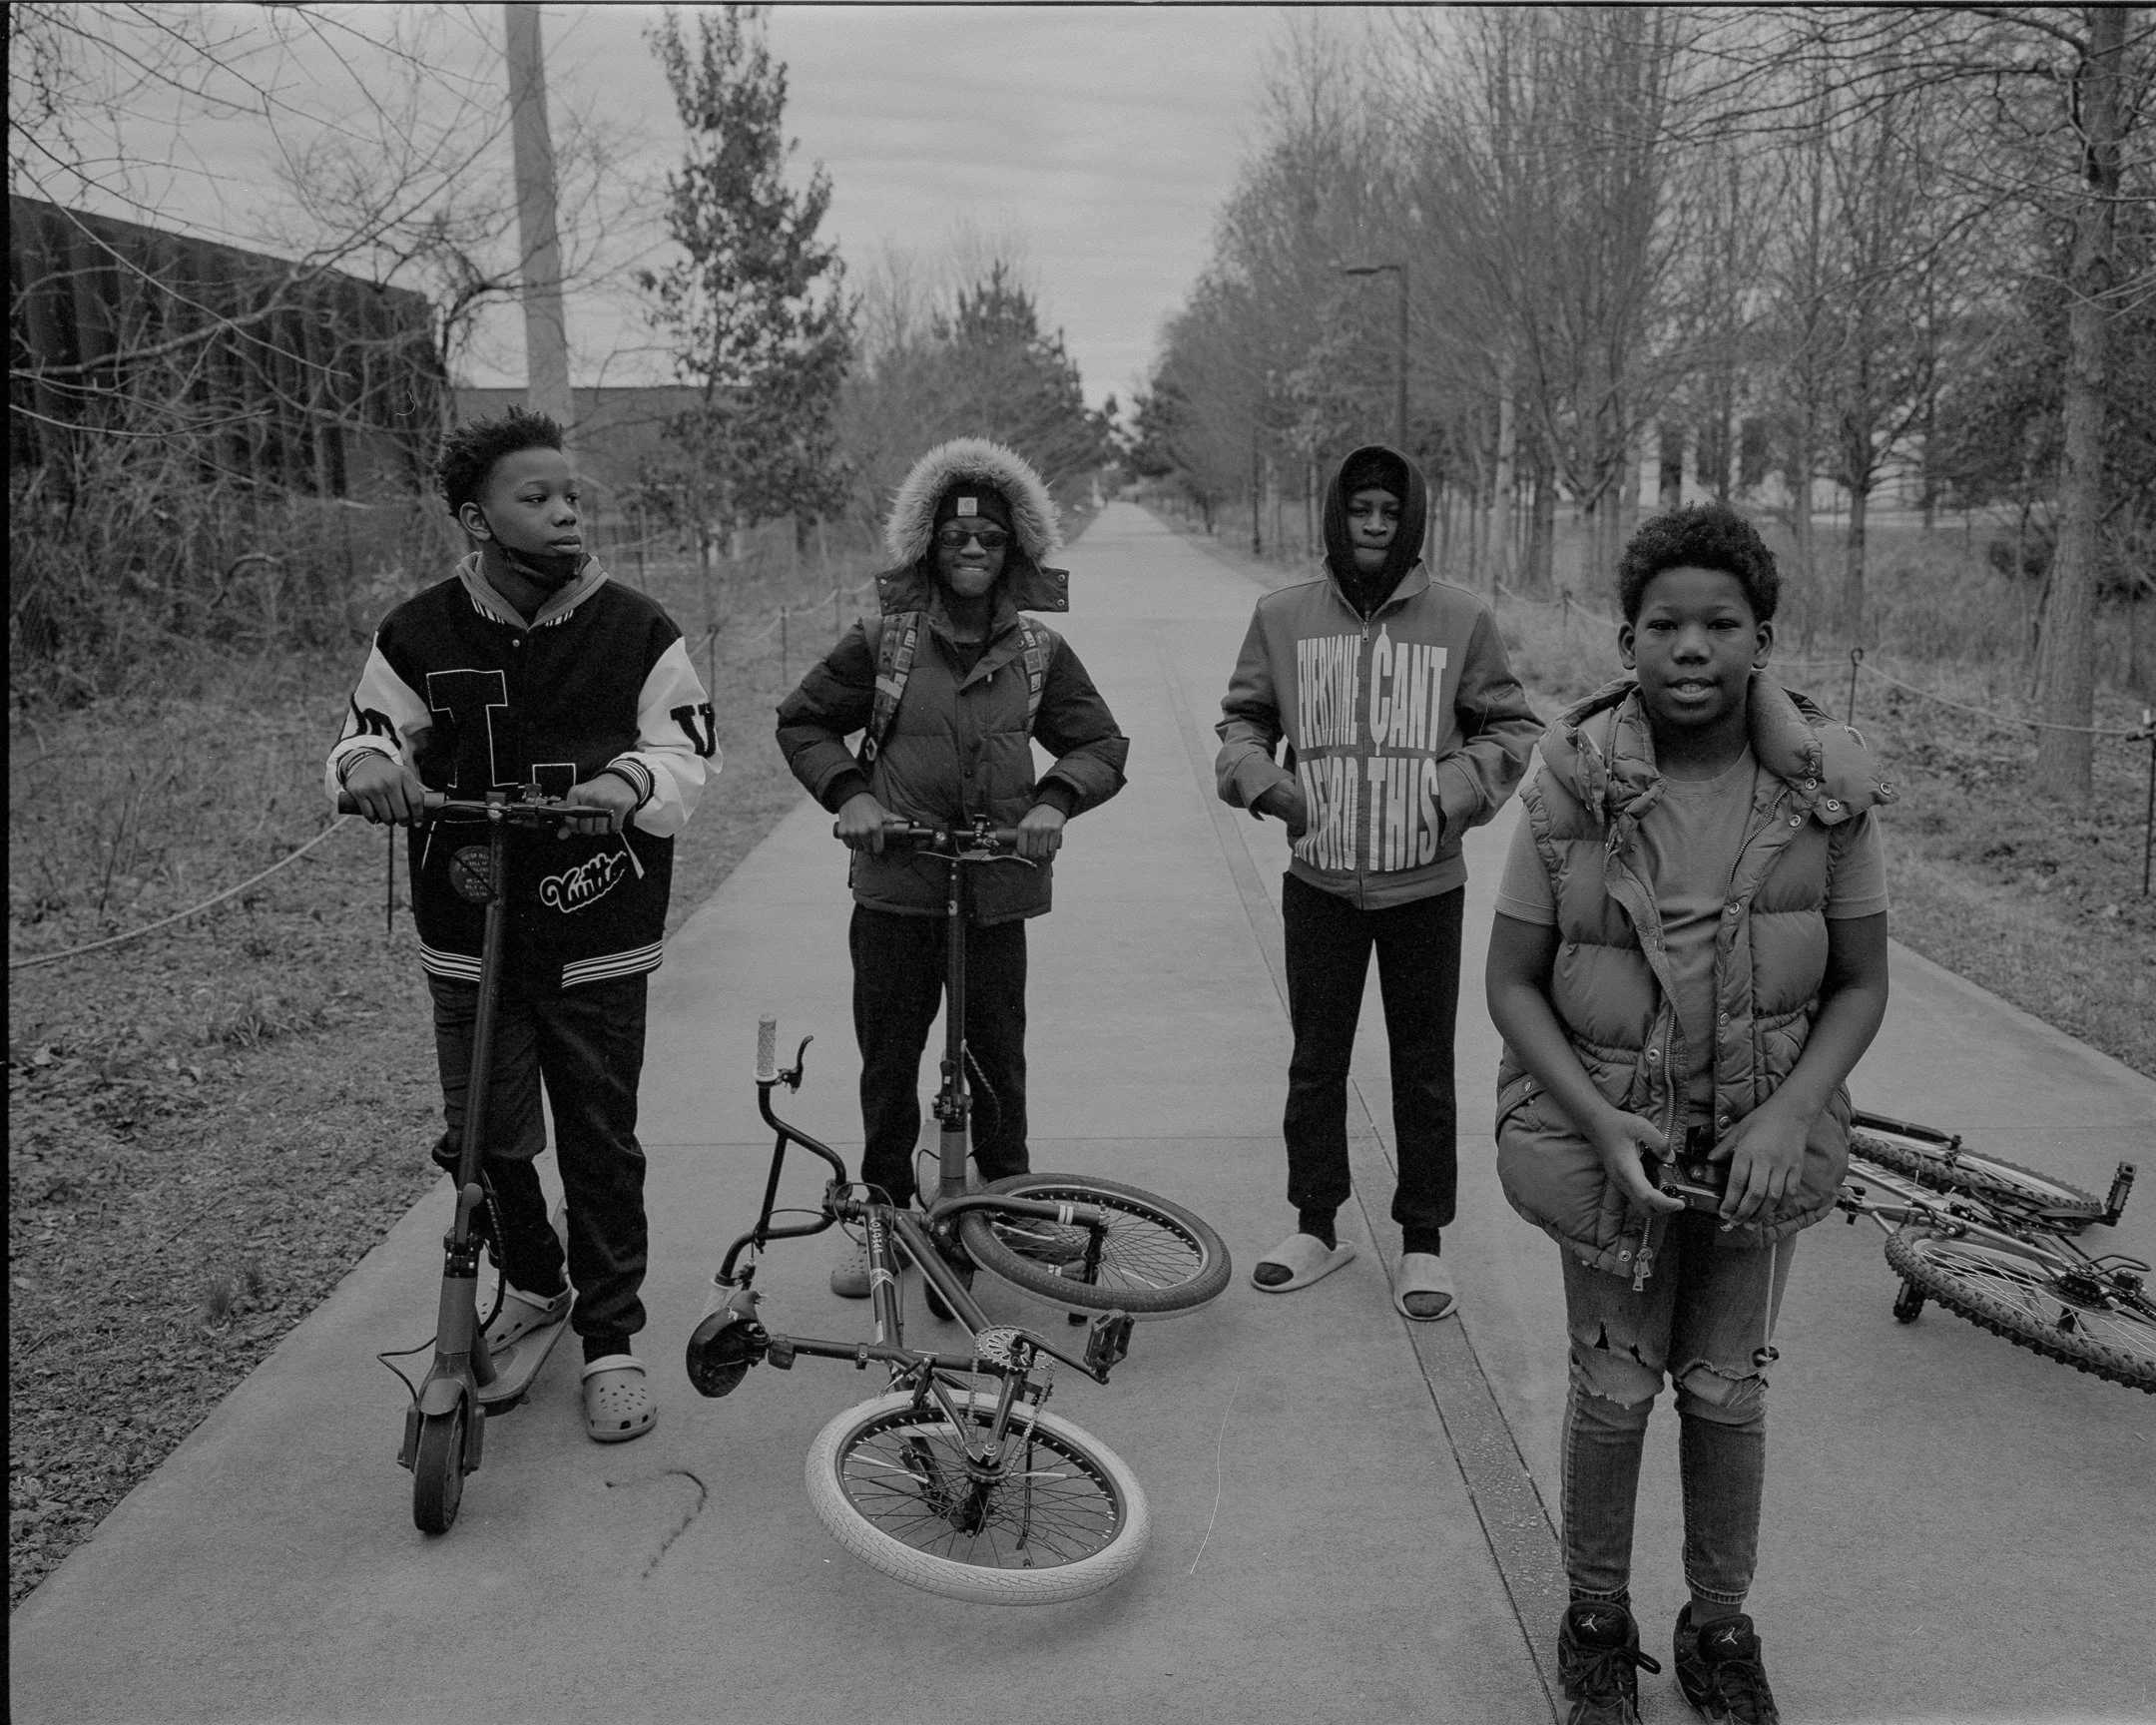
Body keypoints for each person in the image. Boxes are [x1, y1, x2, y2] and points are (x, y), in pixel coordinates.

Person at [1484, 503, 1893, 1725]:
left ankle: (1719, 1629)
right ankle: (1596, 1624)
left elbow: (1862, 983)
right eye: (1665, 624)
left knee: (1725, 1390)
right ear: (1626, 640)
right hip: (1618, 1145)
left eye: (1721, 623)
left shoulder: (1827, 795)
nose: (1692, 647)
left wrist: (1791, 1115)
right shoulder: (1572, 790)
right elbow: (1511, 982)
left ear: (1763, 637)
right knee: (1613, 1389)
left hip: (1757, 1158)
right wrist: (1601, 1126)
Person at [326, 406, 716, 1443]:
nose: (563, 513)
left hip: (599, 928)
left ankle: (612, 1339)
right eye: (533, 498)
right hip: (471, 928)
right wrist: (369, 767)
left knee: (598, 1137)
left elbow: (685, 748)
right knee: (484, 1138)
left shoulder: (637, 626)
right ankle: (535, 1283)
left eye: (571, 495)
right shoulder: (417, 631)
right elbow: (367, 732)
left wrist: (626, 781)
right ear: (475, 520)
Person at [775, 437, 1128, 1297]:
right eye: (955, 538)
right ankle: (882, 1215)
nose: (972, 552)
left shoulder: (1039, 652)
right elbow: (803, 722)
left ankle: (1003, 1204)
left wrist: (1053, 803)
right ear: (927, 544)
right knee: (890, 1058)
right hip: (898, 889)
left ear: (1018, 551)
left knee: (996, 1059)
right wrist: (850, 797)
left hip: (996, 892)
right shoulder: (883, 642)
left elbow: (1100, 742)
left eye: (992, 540)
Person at [1216, 443, 1543, 1320]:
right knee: (1315, 1063)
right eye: (1359, 511)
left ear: (1411, 523)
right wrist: (1262, 781)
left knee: (1424, 1070)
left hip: (1424, 889)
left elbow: (1511, 725)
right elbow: (1243, 719)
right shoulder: (1283, 616)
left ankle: (1423, 1243)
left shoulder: (1460, 617)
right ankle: (1315, 1224)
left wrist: (1455, 789)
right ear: (1336, 515)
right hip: (1318, 883)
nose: (1372, 527)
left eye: (1388, 515)